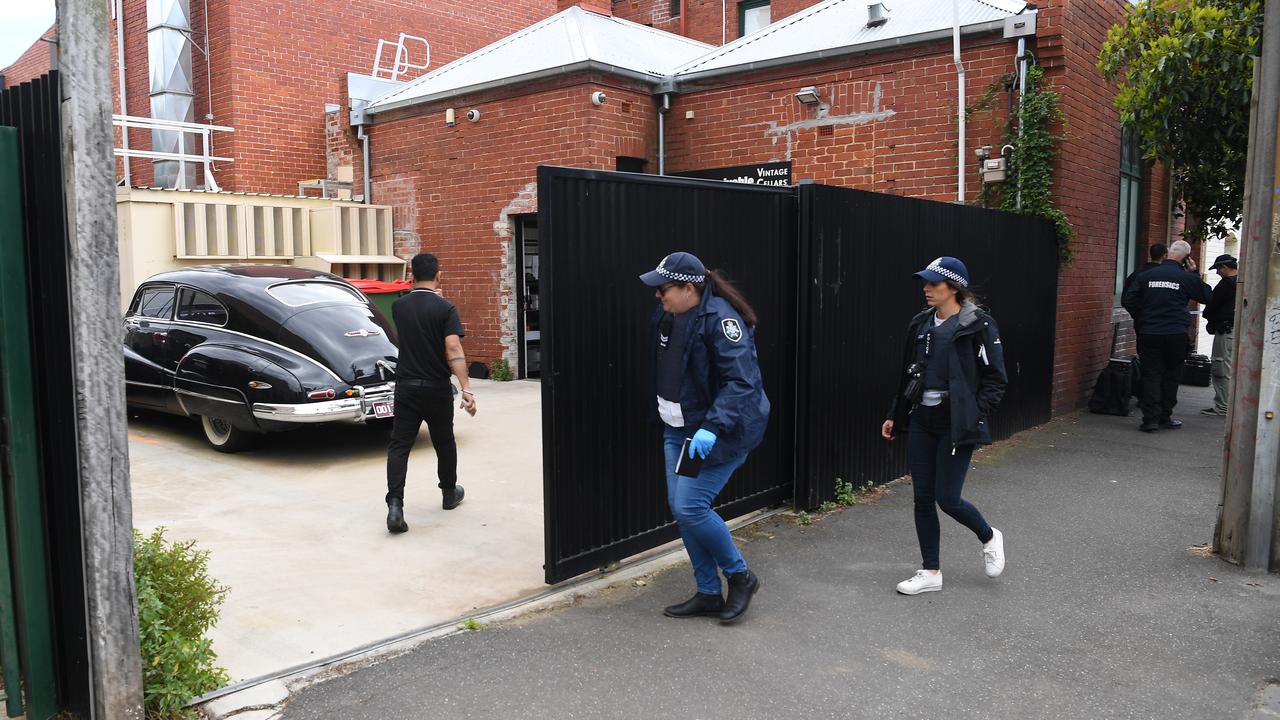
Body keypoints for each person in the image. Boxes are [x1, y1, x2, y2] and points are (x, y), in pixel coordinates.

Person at [638, 251, 769, 624]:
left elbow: (741, 382)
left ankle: (741, 576)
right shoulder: (670, 314)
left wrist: (711, 427)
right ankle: (709, 592)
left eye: (663, 289)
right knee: (682, 510)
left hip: (717, 431)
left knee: (690, 507)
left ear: (688, 288)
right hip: (678, 428)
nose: (658, 295)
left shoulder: (722, 321)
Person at [881, 256, 1008, 596]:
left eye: (933, 283)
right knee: (922, 498)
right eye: (925, 282)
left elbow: (996, 379)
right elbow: (909, 373)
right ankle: (930, 571)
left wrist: (973, 414)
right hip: (922, 419)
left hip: (956, 421)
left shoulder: (978, 325)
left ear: (953, 287)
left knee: (947, 499)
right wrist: (895, 412)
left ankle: (989, 536)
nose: (926, 288)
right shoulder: (921, 324)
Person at [385, 253, 478, 534]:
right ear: (439, 276)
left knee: (399, 446)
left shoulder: (398, 306)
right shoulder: (445, 308)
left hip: (406, 387)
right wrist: (466, 388)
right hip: (436, 387)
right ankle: (449, 493)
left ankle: (395, 505)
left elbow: (417, 314)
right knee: (444, 442)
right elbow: (453, 349)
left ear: (411, 276)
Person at [1121, 239, 1212, 432]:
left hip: (1149, 332)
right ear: (1186, 258)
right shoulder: (1186, 277)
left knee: (1151, 374)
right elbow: (1207, 296)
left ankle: (1150, 420)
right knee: (1171, 375)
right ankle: (1164, 416)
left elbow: (1128, 299)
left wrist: (1143, 317)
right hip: (1175, 333)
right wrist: (1194, 273)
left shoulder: (1146, 275)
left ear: (1168, 253)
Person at [1201, 254, 1238, 416]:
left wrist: (1209, 319)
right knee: (1231, 368)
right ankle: (1229, 405)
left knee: (1220, 368)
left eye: (1218, 269)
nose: (1217, 272)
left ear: (1224, 267)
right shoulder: (1244, 282)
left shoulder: (1226, 284)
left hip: (1225, 331)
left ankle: (1223, 406)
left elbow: (1211, 306)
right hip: (1237, 331)